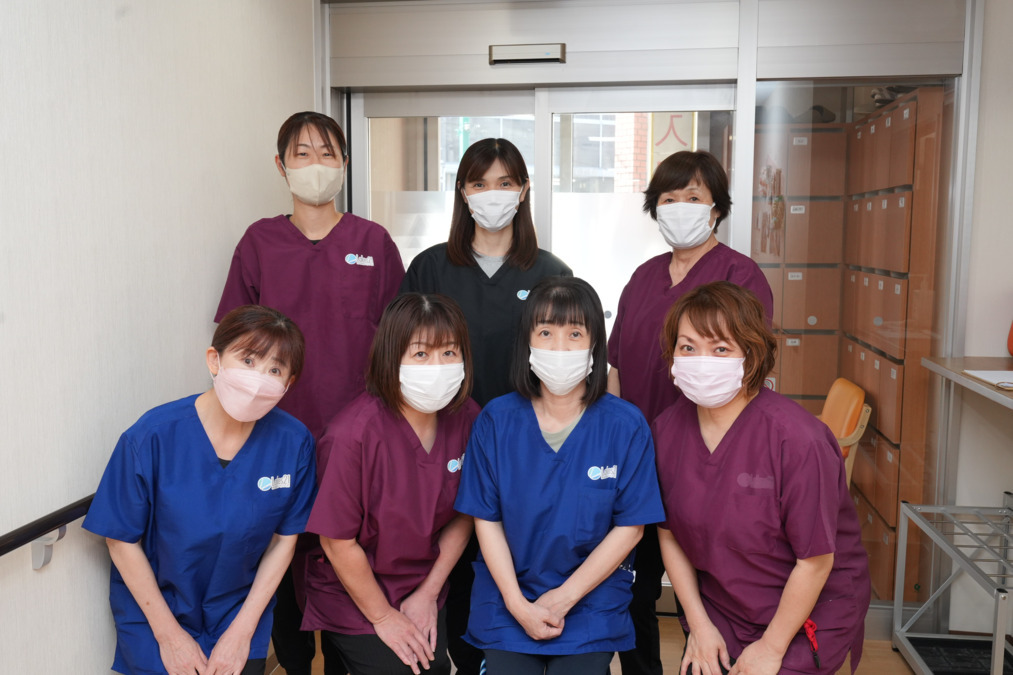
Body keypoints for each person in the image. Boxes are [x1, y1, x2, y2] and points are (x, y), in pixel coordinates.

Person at [216, 111, 405, 674]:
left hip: (358, 435)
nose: (315, 164)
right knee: (281, 557)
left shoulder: (372, 241)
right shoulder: (260, 242)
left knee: (352, 554)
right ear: (281, 166)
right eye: (301, 153)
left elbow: (399, 339)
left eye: (327, 153)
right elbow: (234, 338)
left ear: (344, 165)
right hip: (275, 432)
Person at [399, 137, 571, 674]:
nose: (492, 194)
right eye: (479, 183)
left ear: (522, 191)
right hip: (442, 438)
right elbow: (400, 352)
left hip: (522, 446)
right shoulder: (431, 268)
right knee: (446, 562)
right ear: (462, 192)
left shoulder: (548, 271)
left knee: (507, 561)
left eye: (504, 183)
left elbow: (569, 360)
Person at [607, 150, 774, 675]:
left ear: (717, 209)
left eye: (694, 198)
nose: (680, 208)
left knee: (699, 591)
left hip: (703, 465)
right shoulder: (643, 277)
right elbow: (615, 366)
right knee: (633, 588)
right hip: (639, 461)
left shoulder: (740, 277)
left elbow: (752, 375)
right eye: (669, 199)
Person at [83, 305, 317, 675]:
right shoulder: (153, 435)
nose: (259, 378)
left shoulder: (294, 442)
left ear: (288, 384)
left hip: (241, 611)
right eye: (248, 360)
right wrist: (170, 638)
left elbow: (283, 541)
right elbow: (120, 540)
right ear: (215, 360)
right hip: (156, 614)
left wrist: (241, 632)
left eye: (275, 370)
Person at [654, 281, 870, 675]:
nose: (702, 361)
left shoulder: (798, 439)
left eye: (720, 349)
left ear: (750, 356)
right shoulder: (666, 431)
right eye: (688, 347)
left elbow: (816, 563)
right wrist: (700, 627)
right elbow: (668, 534)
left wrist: (771, 649)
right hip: (722, 607)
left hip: (807, 611)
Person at [454, 276, 666, 675]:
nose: (559, 346)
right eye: (546, 332)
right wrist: (518, 605)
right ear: (527, 342)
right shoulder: (496, 420)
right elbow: (486, 520)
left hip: (590, 600)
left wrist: (563, 598)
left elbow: (631, 528)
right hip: (507, 597)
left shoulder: (625, 425)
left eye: (575, 333)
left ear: (594, 344)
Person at [301, 293, 480, 675]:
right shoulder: (352, 434)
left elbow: (467, 511)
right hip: (354, 591)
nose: (437, 366)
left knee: (432, 670)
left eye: (449, 353)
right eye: (420, 354)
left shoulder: (466, 417)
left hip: (425, 581)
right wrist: (383, 618)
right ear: (390, 357)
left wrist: (429, 593)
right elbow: (337, 540)